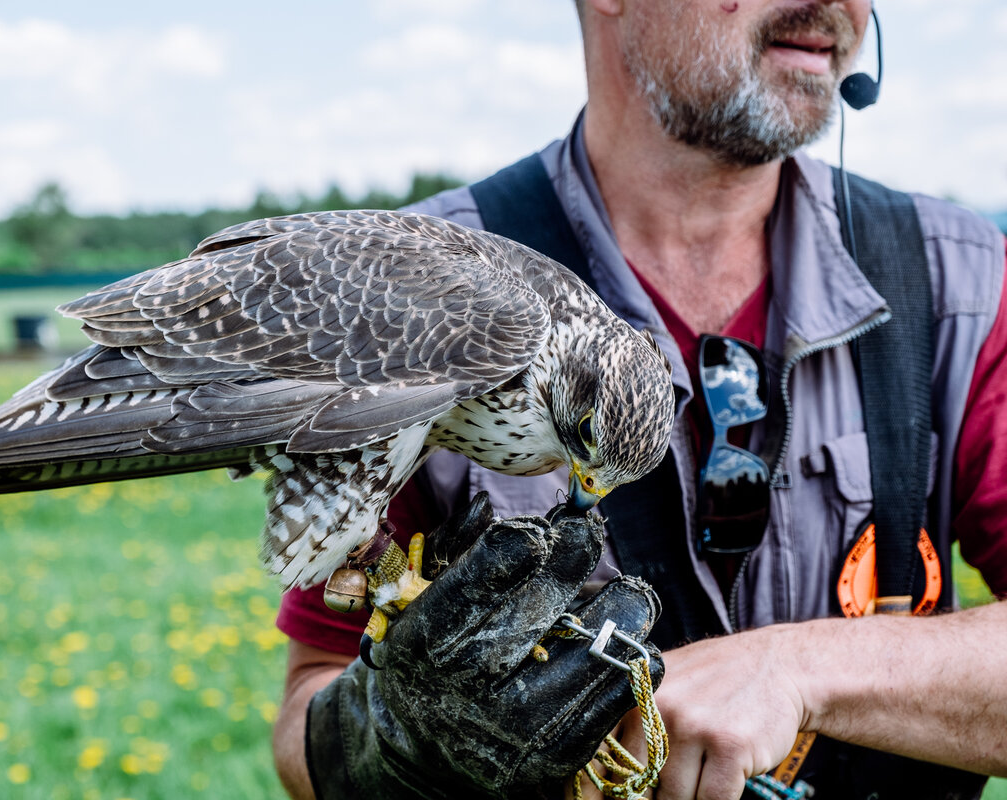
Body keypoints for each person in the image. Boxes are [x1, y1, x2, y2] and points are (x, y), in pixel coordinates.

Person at [272, 1, 1007, 798]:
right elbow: (313, 700)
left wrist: (799, 668)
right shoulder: (407, 292)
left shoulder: (961, 283)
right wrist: (402, 745)